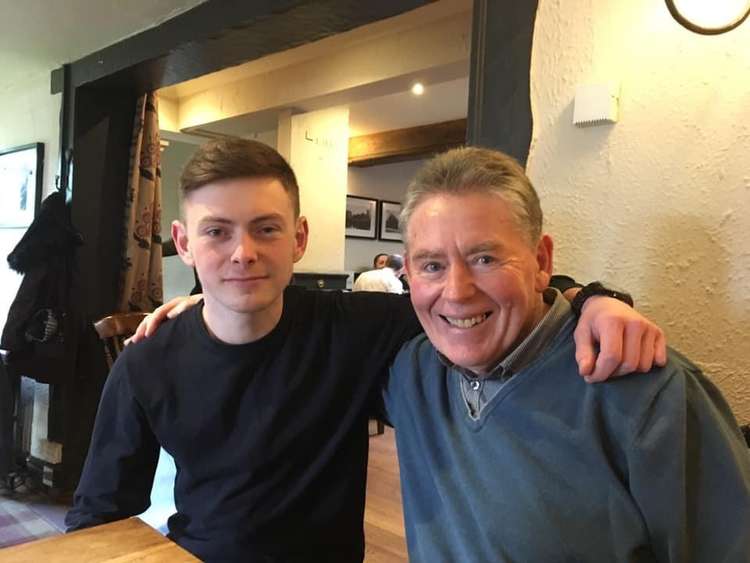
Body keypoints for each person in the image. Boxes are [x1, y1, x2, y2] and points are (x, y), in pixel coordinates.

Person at [66, 139, 666, 562]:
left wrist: (594, 299)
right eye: (217, 232)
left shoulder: (356, 326)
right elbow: (98, 515)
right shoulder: (148, 361)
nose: (243, 252)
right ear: (183, 244)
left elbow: (477, 296)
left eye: (266, 228)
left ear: (299, 238)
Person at [382, 147, 750, 562]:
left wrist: (595, 299)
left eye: (484, 258)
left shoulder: (649, 390)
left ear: (542, 262)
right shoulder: (411, 370)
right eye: (432, 266)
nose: (456, 291)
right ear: (408, 275)